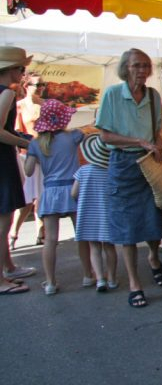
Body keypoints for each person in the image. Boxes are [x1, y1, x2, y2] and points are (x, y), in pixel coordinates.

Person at [96, 48, 162, 308]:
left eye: (146, 66)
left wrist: (160, 145)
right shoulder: (113, 95)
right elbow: (104, 135)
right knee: (126, 227)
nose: (142, 70)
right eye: (137, 65)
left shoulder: (153, 95)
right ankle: (134, 284)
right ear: (126, 68)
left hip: (149, 163)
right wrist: (137, 140)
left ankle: (153, 257)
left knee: (153, 219)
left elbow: (158, 130)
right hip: (124, 164)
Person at [25, 99, 93, 295]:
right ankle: (88, 275)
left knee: (50, 240)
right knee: (81, 236)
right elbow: (91, 131)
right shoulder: (72, 137)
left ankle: (50, 282)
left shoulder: (36, 143)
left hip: (51, 192)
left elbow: (28, 171)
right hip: (73, 189)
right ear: (63, 119)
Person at [0, 47, 34, 295]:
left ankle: (8, 266)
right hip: (2, 159)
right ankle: (2, 278)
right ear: (10, 70)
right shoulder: (6, 94)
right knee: (4, 219)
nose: (23, 74)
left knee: (5, 216)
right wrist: (26, 143)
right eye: (21, 69)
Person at [72, 134, 119, 293]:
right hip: (108, 215)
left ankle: (100, 279)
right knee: (110, 247)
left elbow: (74, 193)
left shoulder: (83, 171)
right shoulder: (112, 172)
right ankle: (112, 279)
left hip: (88, 215)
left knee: (94, 248)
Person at [12, 72, 45, 248]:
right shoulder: (20, 106)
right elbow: (17, 131)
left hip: (45, 155)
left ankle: (41, 231)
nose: (40, 88)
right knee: (26, 199)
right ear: (27, 86)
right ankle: (14, 233)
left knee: (42, 197)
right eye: (37, 85)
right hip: (28, 154)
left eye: (42, 85)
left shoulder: (46, 104)